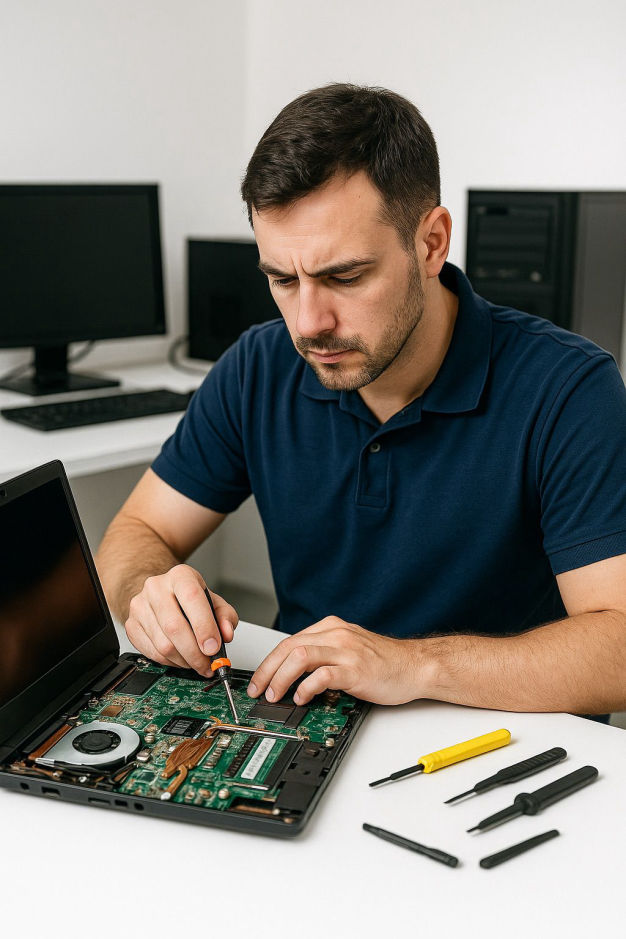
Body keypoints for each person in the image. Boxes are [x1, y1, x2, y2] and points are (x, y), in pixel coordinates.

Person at [96, 83, 626, 717]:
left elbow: (618, 644)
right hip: (306, 723)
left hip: (496, 748)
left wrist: (414, 663)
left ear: (431, 243)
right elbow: (138, 531)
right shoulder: (257, 366)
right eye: (282, 280)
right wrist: (148, 589)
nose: (309, 322)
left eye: (344, 276)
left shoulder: (568, 388)